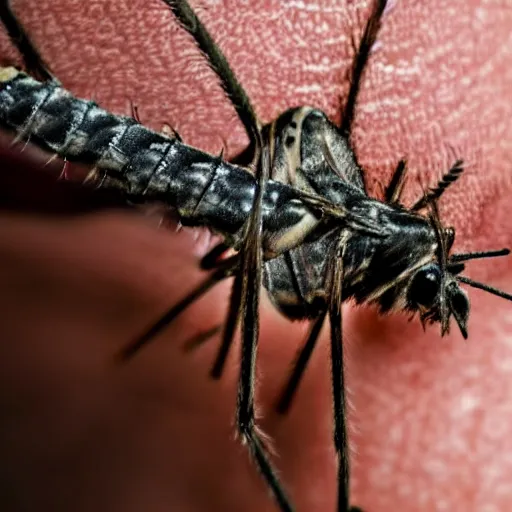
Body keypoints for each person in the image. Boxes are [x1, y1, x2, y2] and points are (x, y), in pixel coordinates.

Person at [0, 1, 511, 510]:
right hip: (239, 199)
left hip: (241, 199)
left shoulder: (344, 247)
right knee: (248, 420)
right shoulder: (343, 248)